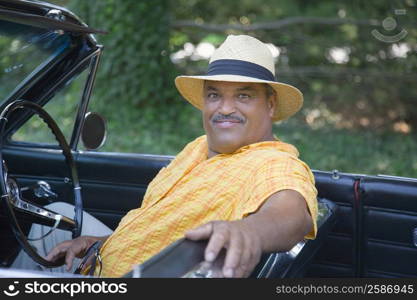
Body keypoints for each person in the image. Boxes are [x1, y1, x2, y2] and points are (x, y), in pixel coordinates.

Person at [12, 34, 317, 278]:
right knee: (53, 215)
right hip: (102, 258)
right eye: (214, 95)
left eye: (243, 95)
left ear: (271, 104)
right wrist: (100, 243)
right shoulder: (197, 147)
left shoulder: (274, 162)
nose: (224, 108)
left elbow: (291, 214)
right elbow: (157, 228)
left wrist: (248, 231)